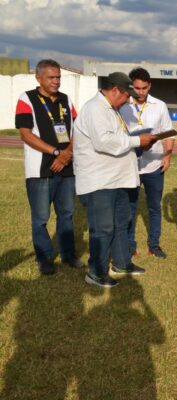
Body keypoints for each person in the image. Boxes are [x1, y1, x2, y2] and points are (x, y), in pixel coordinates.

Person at [73, 72, 157, 287]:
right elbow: (104, 142)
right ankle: (96, 272)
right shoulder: (95, 108)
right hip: (100, 181)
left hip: (118, 179)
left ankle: (121, 263)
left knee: (121, 223)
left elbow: (120, 140)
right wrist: (138, 140)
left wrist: (139, 141)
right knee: (103, 228)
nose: (129, 99)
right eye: (126, 95)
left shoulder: (113, 109)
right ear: (114, 90)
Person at [15, 59, 83, 275]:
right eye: (51, 77)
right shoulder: (26, 98)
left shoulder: (65, 99)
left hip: (67, 168)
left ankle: (68, 254)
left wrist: (67, 154)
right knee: (41, 217)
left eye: (58, 77)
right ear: (38, 77)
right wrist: (56, 153)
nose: (56, 81)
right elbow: (25, 134)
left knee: (67, 214)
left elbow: (78, 130)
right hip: (40, 170)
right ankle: (44, 258)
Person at [120, 67, 174, 259]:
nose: (140, 92)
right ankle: (129, 246)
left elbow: (168, 132)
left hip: (154, 166)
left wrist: (167, 156)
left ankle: (154, 245)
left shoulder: (160, 105)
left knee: (154, 207)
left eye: (144, 88)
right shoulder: (122, 105)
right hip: (129, 165)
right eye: (136, 88)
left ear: (149, 85)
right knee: (129, 207)